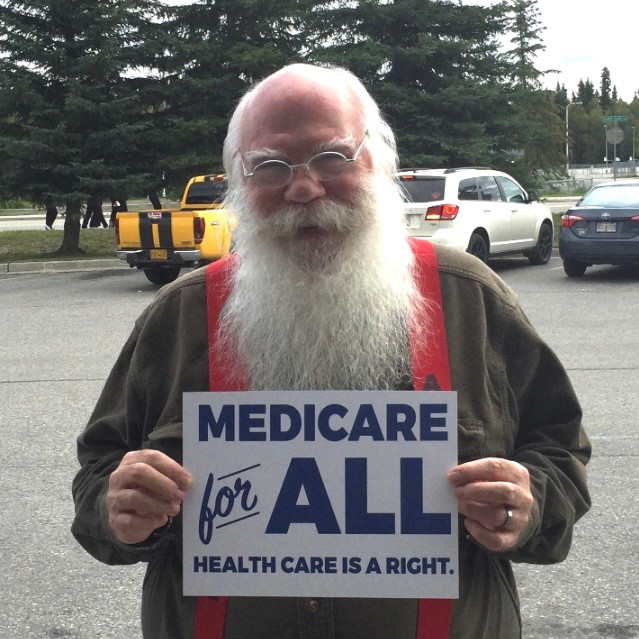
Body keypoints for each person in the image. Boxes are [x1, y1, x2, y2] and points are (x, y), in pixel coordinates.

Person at [71, 63, 591, 639]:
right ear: (239, 181)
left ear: (380, 161)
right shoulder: (181, 314)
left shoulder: (468, 298)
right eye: (270, 166)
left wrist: (530, 502)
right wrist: (117, 509)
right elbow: (99, 469)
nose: (303, 187)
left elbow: (559, 447)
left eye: (332, 157)